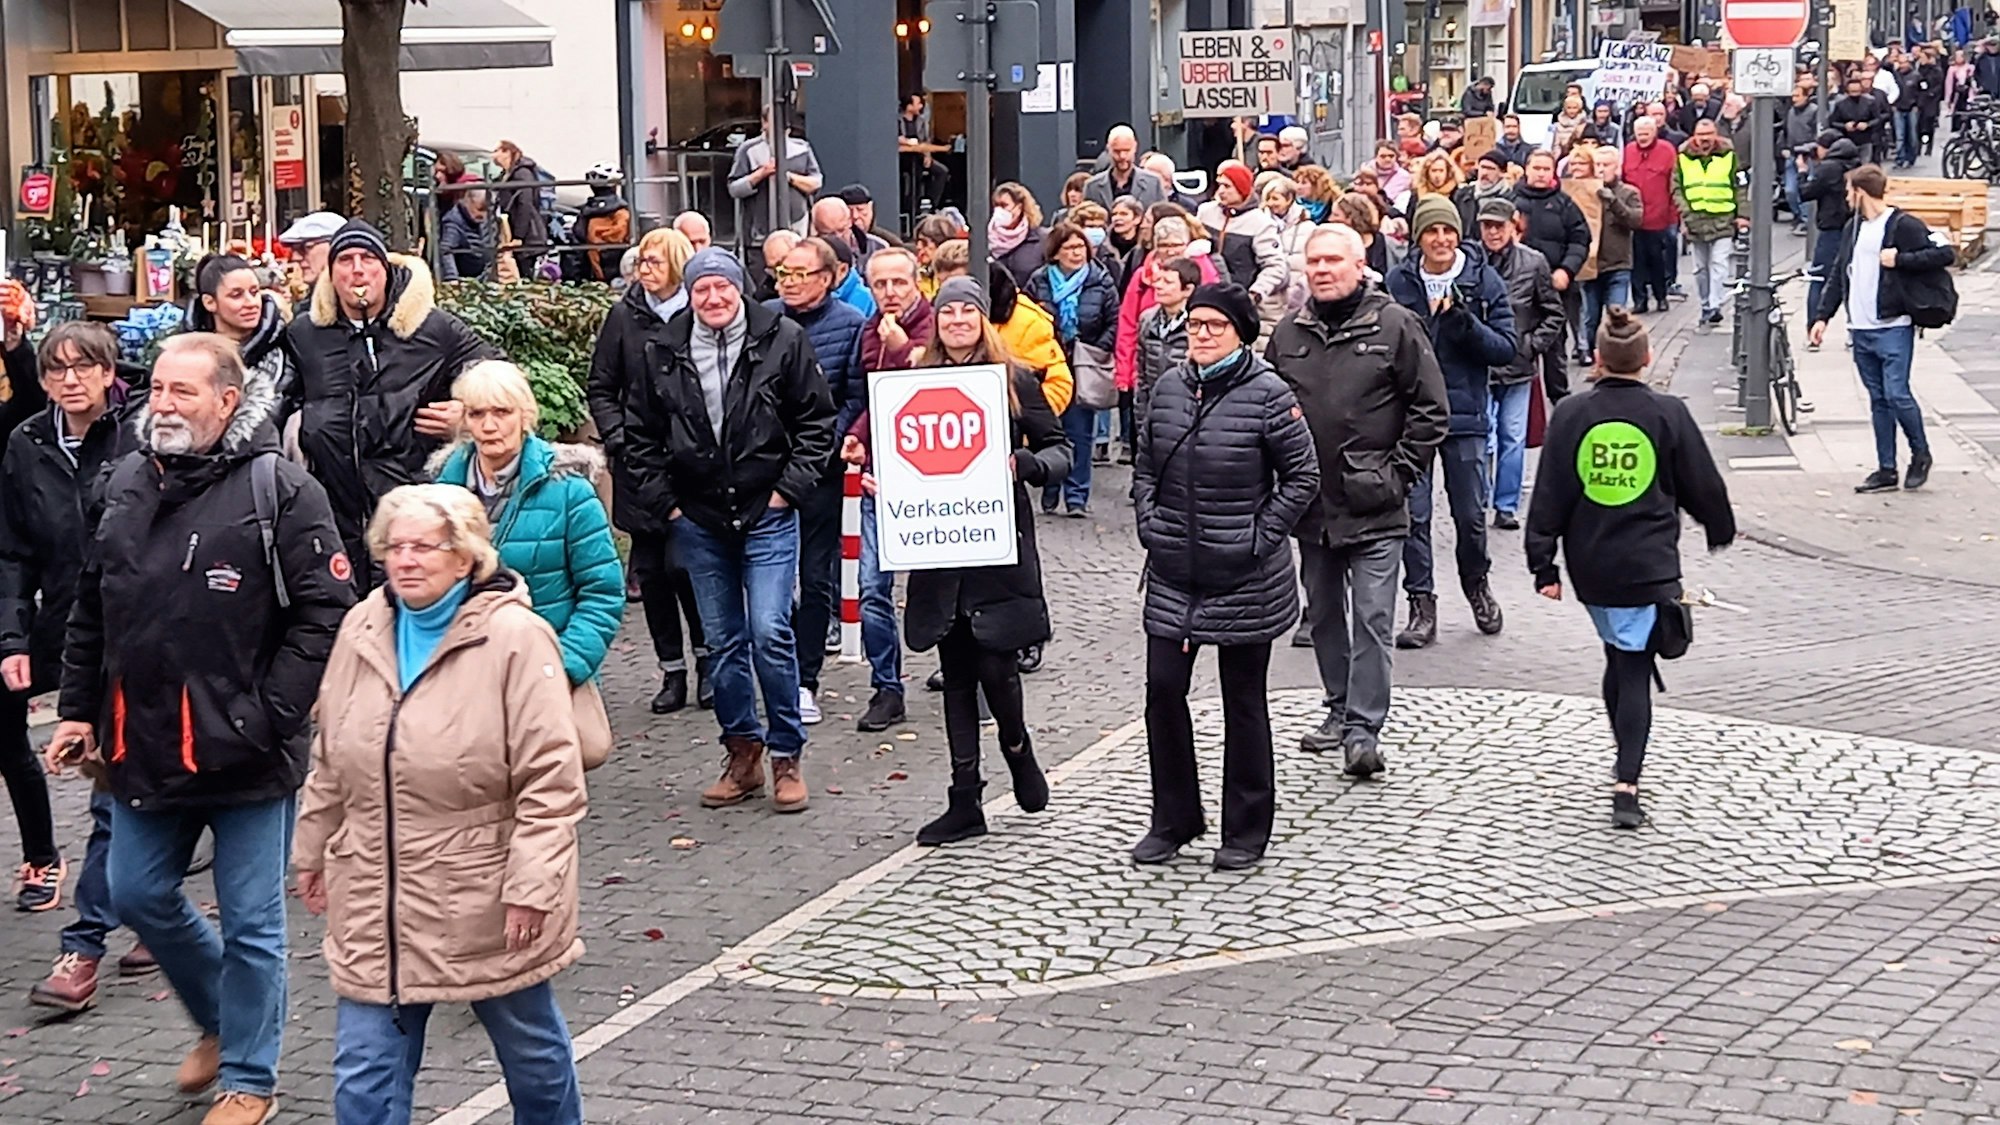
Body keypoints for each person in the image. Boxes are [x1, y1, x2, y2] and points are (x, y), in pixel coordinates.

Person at [53, 333, 355, 1125]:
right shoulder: (124, 482)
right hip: (143, 743)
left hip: (249, 753)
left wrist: (269, 713)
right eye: (156, 389)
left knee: (254, 924)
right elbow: (93, 605)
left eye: (183, 392)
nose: (163, 404)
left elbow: (327, 616)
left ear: (229, 400)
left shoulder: (282, 490)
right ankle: (223, 1018)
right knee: (135, 891)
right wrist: (78, 708)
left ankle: (250, 1079)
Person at [294, 484, 587, 1125]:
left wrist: (532, 884)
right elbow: (331, 752)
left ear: (465, 557)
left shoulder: (516, 637)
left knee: (532, 1061)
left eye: (425, 546)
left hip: (481, 891)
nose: (406, 560)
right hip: (374, 890)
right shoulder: (360, 628)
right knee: (363, 1081)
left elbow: (552, 780)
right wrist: (311, 847)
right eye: (394, 546)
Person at [843, 278, 1067, 845]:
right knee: (958, 674)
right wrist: (878, 480)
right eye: (949, 311)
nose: (959, 319)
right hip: (938, 548)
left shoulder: (1013, 381)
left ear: (984, 318)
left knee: (997, 665)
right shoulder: (913, 383)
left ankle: (1017, 747)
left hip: (997, 547)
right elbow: (901, 460)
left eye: (969, 309)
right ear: (937, 321)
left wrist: (1025, 465)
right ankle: (964, 797)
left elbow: (1059, 450)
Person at [622, 248, 837, 813]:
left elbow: (817, 420)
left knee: (770, 630)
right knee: (722, 644)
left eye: (722, 288)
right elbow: (639, 433)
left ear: (740, 288)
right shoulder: (663, 350)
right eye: (701, 290)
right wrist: (667, 506)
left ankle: (787, 753)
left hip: (767, 509)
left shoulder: (782, 339)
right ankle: (743, 753)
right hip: (698, 516)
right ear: (689, 295)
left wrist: (787, 490)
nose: (713, 299)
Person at [1131, 281, 1317, 870]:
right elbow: (1144, 466)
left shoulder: (1269, 394)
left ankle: (1245, 829)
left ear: (1240, 332)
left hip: (1245, 577)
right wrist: (1150, 522)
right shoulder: (1166, 388)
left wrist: (1259, 538)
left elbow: (1302, 477)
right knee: (1163, 692)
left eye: (1215, 325)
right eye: (1195, 324)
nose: (1202, 335)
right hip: (1172, 570)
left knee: (1244, 702)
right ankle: (1174, 819)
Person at [1526, 307, 1735, 829]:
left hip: (1592, 566)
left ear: (1596, 359)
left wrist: (1542, 564)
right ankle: (1627, 781)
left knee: (1618, 655)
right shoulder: (1668, 413)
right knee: (1633, 666)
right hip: (1648, 564)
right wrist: (1718, 528)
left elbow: (1550, 492)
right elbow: (1701, 482)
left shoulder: (1572, 414)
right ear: (1647, 358)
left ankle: (1624, 753)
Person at [4, 324, 156, 1009]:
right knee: (112, 783)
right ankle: (138, 913)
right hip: (69, 627)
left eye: (83, 367)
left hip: (144, 630)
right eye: (57, 369)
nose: (71, 380)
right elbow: (13, 553)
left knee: (117, 790)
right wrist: (13, 641)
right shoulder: (28, 444)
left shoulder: (141, 431)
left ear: (106, 372)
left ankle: (87, 942)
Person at [1267, 225, 1446, 769]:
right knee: (1322, 614)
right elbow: (1268, 409)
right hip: (1311, 504)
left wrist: (1397, 474)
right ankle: (1339, 708)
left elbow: (1431, 411)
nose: (1321, 270)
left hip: (1375, 502)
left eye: (1331, 261)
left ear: (1358, 263)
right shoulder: (1289, 333)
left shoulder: (1394, 325)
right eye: (1313, 262)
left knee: (1371, 616)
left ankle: (1364, 729)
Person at [288, 220, 494, 586]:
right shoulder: (306, 333)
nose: (357, 270)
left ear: (385, 268)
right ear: (331, 274)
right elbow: (276, 397)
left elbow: (498, 378)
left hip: (413, 512)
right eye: (345, 260)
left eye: (368, 258)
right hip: (335, 514)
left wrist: (465, 416)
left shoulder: (432, 328)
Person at [766, 237, 898, 729]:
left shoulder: (849, 324)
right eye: (784, 273)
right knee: (766, 577)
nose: (791, 282)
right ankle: (771, 669)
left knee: (814, 574)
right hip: (764, 467)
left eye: (801, 273)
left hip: (818, 468)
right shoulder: (764, 318)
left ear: (828, 277)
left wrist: (823, 443)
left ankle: (805, 679)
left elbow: (854, 395)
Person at [433, 359, 624, 686]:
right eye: (477, 414)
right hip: (463, 683)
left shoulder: (570, 493)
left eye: (502, 412)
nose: (489, 426)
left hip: (545, 677)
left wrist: (560, 668)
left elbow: (602, 592)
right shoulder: (438, 496)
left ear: (525, 415)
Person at [1383, 195, 1517, 649]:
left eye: (1448, 232)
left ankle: (1477, 584)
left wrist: (1464, 323)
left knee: (1470, 515)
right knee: (1413, 516)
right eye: (1431, 232)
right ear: (1418, 238)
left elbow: (1505, 348)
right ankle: (1421, 603)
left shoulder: (1483, 280)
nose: (1440, 240)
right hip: (1410, 417)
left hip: (1465, 415)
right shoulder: (1398, 281)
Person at [587, 227, 711, 712]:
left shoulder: (697, 310)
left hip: (691, 462)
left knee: (693, 569)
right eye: (642, 261)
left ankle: (709, 663)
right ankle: (671, 670)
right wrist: (618, 436)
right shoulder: (624, 316)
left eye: (656, 261)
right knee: (653, 573)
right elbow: (602, 384)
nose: (645, 269)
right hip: (638, 463)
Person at [1809, 164, 1957, 494]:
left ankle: (1920, 453)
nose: (1847, 197)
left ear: (1860, 193)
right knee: (1878, 399)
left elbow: (1944, 252)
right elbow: (1838, 273)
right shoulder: (1853, 228)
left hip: (1893, 326)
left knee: (1897, 393)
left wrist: (1901, 260)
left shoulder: (1902, 225)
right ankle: (1886, 468)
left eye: (1849, 192)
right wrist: (1822, 317)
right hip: (1860, 329)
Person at [1477, 199, 1563, 532]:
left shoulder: (1534, 263)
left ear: (1514, 226)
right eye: (1487, 226)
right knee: (1484, 436)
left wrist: (1531, 345)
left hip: (1518, 364)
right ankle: (1479, 499)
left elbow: (1553, 312)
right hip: (1480, 364)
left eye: (1499, 226)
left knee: (1512, 436)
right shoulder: (1471, 261)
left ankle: (1506, 505)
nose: (1493, 232)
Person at [1026, 221, 1119, 518]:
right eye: (1070, 248)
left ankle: (1077, 496)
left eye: (1080, 247)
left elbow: (1112, 320)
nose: (1077, 254)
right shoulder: (1039, 281)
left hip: (1084, 364)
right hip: (1049, 365)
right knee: (1050, 431)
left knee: (1080, 433)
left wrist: (1094, 349)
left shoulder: (1100, 280)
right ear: (1055, 252)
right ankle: (1050, 490)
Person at [1513, 150, 1591, 395]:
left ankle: (1560, 401)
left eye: (1546, 169)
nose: (1541, 173)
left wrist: (1567, 270)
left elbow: (1580, 240)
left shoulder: (1565, 204)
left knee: (1555, 346)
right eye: (1537, 168)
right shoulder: (1511, 201)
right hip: (1519, 286)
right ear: (1526, 169)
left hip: (1555, 286)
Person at [186, 254, 299, 418]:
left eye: (254, 292)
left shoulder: (288, 348)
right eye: (236, 295)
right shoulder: (186, 357)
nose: (251, 303)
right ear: (209, 302)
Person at [1195, 161, 1289, 338]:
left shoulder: (1261, 223)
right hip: (1205, 295)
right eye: (1219, 184)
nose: (1221, 190)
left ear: (1241, 188)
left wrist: (1255, 294)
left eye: (1227, 186)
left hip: (1241, 299)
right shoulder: (1205, 212)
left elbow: (1275, 266)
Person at [1672, 119, 1750, 327]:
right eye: (1701, 135)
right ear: (1694, 136)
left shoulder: (1729, 157)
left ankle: (1715, 305)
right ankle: (1706, 304)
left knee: (1719, 263)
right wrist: (1685, 213)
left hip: (1723, 219)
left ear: (1715, 135)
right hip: (1695, 220)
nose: (1705, 139)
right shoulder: (1683, 158)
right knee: (1700, 268)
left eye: (1708, 134)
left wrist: (1743, 215)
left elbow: (1740, 187)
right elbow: (1676, 187)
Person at [1581, 146, 1643, 362]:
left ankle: (1612, 360)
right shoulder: (1585, 191)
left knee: (1615, 314)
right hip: (1590, 266)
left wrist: (1614, 203)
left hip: (1618, 265)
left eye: (1606, 165)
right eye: (1597, 165)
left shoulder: (1629, 192)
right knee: (1590, 318)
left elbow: (1635, 220)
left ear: (1617, 168)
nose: (1600, 170)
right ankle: (1591, 355)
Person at [1800, 132, 1863, 335]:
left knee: (1819, 278)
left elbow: (1805, 192)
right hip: (1854, 228)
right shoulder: (1857, 166)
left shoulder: (1828, 168)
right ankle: (1854, 329)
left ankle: (1813, 327)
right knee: (1852, 279)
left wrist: (1803, 171)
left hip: (1830, 229)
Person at [727, 107, 824, 240]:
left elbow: (816, 182)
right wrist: (761, 174)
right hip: (759, 233)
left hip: (797, 227)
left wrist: (789, 177)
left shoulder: (802, 148)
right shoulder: (748, 150)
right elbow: (734, 189)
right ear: (764, 123)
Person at [1623, 118, 1681, 315]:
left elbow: (1673, 185)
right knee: (1636, 263)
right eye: (1639, 133)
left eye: (1647, 133)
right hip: (1634, 218)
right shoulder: (1628, 151)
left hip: (1658, 216)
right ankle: (1640, 300)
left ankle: (1661, 297)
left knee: (1657, 260)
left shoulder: (1667, 151)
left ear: (1655, 132)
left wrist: (1673, 216)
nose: (1643, 137)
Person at [1134, 257, 1200, 425]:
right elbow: (1142, 376)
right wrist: (1142, 417)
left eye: (1167, 282)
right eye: (1158, 280)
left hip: (1187, 413)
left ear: (1188, 290)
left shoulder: (1199, 324)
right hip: (1154, 411)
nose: (1158, 286)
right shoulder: (1147, 320)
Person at [490, 141, 549, 275]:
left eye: (496, 151)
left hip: (527, 235)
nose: (493, 155)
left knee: (523, 271)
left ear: (506, 152)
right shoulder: (506, 175)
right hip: (512, 231)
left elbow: (525, 203)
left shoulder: (522, 174)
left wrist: (519, 236)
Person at [568, 163, 633, 283]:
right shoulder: (622, 212)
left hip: (594, 271)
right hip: (612, 271)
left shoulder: (587, 213)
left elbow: (578, 241)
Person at [1085, 125, 1169, 208]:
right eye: (1117, 151)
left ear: (1135, 148)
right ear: (1108, 149)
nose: (1122, 156)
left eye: (1127, 151)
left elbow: (1163, 217)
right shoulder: (1092, 187)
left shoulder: (1153, 183)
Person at [989, 182, 1048, 291]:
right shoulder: (988, 239)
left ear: (1019, 207)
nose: (999, 211)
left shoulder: (1042, 239)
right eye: (996, 206)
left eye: (1004, 205)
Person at [898, 92, 952, 212]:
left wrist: (928, 156)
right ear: (909, 106)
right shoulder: (898, 120)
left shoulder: (921, 121)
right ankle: (908, 206)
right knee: (911, 177)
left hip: (919, 156)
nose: (921, 106)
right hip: (902, 158)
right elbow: (898, 138)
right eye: (918, 104)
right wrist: (908, 142)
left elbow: (925, 141)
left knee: (942, 171)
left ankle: (932, 204)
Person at [277, 211, 343, 306]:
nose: (296, 257)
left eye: (307, 247)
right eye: (294, 250)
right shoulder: (304, 310)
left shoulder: (354, 306)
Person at [1830, 70, 1892, 165]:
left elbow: (1878, 118)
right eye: (1852, 92)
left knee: (1865, 165)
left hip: (1866, 139)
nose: (1855, 94)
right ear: (1847, 91)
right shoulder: (1840, 104)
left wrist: (1867, 124)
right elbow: (1833, 122)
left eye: (1857, 91)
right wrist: (1845, 126)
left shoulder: (1870, 102)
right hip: (1847, 139)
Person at [1783, 87, 1822, 234]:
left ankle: (1806, 220)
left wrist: (1806, 149)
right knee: (1790, 190)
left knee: (1806, 188)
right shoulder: (1791, 112)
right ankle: (1798, 214)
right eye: (1793, 96)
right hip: (1792, 154)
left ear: (1806, 96)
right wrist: (1784, 147)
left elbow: (1817, 135)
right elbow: (1786, 132)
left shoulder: (1814, 111)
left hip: (1808, 156)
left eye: (1797, 96)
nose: (1794, 99)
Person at [438, 189, 491, 283]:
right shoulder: (453, 221)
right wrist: (452, 277)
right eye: (479, 209)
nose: (483, 215)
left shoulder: (484, 218)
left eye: (486, 210)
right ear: (468, 201)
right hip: (465, 279)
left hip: (485, 275)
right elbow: (446, 250)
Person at [1454, 150, 1513, 233]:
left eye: (1490, 169)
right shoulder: (1462, 195)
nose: (1485, 173)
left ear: (1502, 173)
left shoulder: (1510, 198)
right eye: (1482, 167)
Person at [838, 183, 900, 252]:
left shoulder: (886, 241)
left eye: (860, 210)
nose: (855, 216)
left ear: (870, 208)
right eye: (849, 211)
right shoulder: (836, 241)